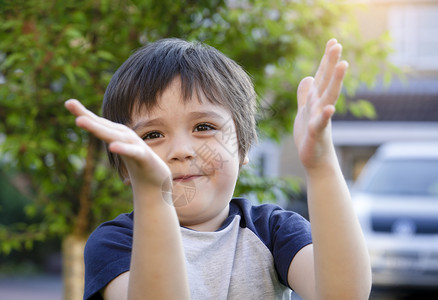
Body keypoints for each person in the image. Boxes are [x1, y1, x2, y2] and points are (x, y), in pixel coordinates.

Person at [65, 38, 372, 300]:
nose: (182, 150)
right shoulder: (116, 243)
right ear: (123, 167)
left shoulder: (273, 231)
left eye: (203, 126)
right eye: (152, 135)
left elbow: (344, 292)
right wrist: (152, 195)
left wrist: (321, 166)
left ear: (244, 147)